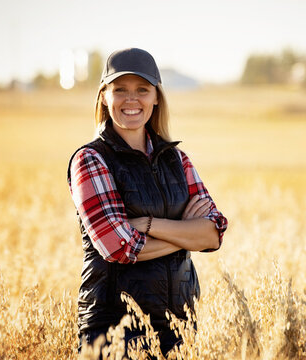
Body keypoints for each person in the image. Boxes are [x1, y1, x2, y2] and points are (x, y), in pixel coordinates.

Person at [67, 48, 228, 358]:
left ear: (156, 98)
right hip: (114, 334)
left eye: (142, 90)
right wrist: (186, 234)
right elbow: (120, 247)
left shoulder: (177, 160)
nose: (132, 100)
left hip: (179, 329)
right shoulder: (91, 160)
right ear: (104, 97)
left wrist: (152, 226)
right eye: (120, 90)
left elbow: (214, 233)